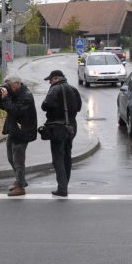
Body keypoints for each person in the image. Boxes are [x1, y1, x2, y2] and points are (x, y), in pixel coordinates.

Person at [40, 69, 82, 197]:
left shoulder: (54, 89)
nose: (49, 83)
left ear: (56, 78)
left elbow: (45, 106)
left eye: (50, 80)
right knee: (67, 156)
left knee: (58, 158)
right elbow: (79, 107)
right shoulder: (73, 89)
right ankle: (65, 183)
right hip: (72, 126)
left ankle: (62, 188)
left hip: (58, 127)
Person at [0, 74, 37, 197]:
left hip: (23, 132)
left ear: (17, 83)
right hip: (14, 130)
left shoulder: (26, 96)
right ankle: (20, 180)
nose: (7, 87)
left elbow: (15, 111)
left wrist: (6, 98)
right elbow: (1, 105)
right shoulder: (15, 92)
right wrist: (1, 95)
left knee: (18, 160)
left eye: (9, 84)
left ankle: (20, 187)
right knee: (10, 158)